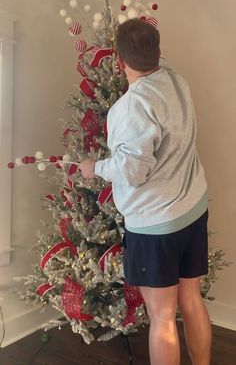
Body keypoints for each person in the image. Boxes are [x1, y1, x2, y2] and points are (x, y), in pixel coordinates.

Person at [79, 19, 212, 365]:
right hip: (193, 208)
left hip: (157, 225)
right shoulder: (176, 80)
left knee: (163, 317)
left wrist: (95, 168)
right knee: (192, 298)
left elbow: (131, 171)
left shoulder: (129, 108)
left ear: (120, 62)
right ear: (159, 51)